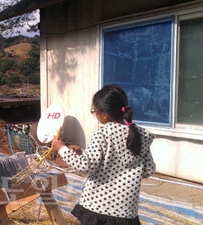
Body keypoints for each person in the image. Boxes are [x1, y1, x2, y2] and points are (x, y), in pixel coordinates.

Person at [51, 85, 156, 225]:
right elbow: (148, 169)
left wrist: (62, 148)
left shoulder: (104, 134)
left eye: (94, 111)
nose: (95, 114)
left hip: (98, 209)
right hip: (126, 212)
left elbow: (86, 166)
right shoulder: (140, 135)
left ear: (105, 114)